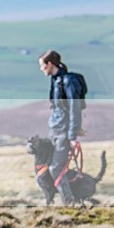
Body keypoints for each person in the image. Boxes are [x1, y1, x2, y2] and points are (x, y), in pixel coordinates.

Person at [38, 49, 86, 205]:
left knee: (56, 169)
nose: (41, 69)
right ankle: (60, 200)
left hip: (63, 133)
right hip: (55, 130)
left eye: (42, 66)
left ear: (50, 64)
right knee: (46, 168)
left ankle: (70, 204)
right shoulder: (55, 81)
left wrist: (72, 136)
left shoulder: (68, 82)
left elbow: (75, 108)